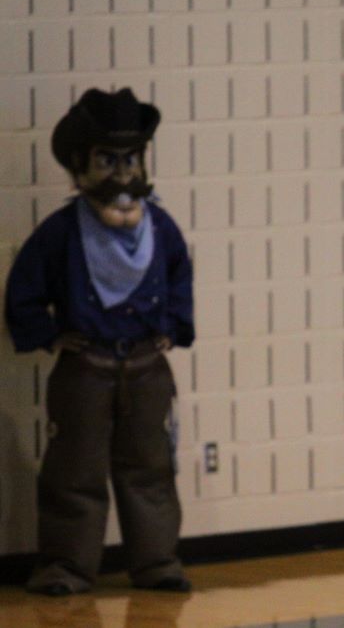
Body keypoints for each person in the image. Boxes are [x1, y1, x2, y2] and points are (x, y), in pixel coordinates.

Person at [4, 87, 194, 595]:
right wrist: (48, 336)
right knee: (74, 474)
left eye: (131, 160)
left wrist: (174, 325)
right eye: (107, 161)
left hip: (147, 369)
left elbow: (180, 276)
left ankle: (157, 564)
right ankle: (66, 568)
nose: (122, 174)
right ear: (80, 166)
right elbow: (23, 291)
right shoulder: (60, 232)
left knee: (151, 471)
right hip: (84, 370)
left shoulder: (161, 228)